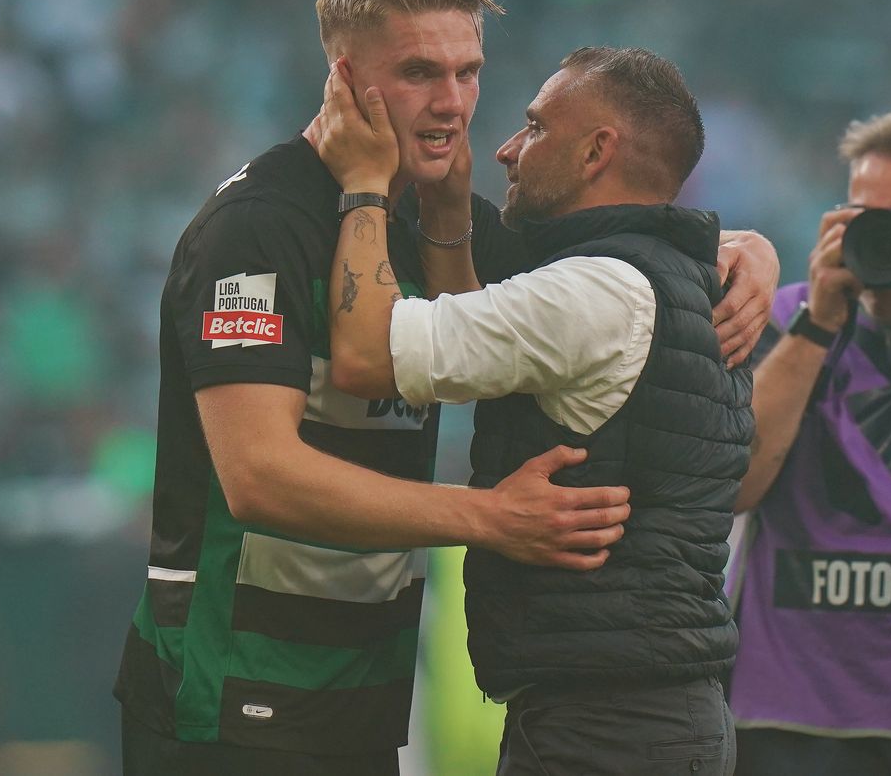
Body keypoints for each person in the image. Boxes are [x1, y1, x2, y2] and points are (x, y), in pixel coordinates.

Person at [114, 0, 775, 775]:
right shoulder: (258, 227)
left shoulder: (441, 224)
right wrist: (489, 517)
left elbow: (619, 261)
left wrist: (751, 251)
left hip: (365, 695)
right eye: (422, 72)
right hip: (231, 694)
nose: (454, 104)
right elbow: (259, 474)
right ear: (346, 78)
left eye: (469, 72)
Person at [315, 45, 757, 775]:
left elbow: (366, 355)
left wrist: (364, 186)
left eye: (535, 127)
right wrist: (449, 209)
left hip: (607, 724)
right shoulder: (681, 281)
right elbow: (473, 357)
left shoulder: (594, 292)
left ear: (595, 151)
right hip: (649, 709)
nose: (506, 149)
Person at [728, 106, 891, 775]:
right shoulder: (790, 319)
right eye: (869, 220)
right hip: (791, 718)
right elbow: (733, 482)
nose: (888, 240)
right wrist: (820, 322)